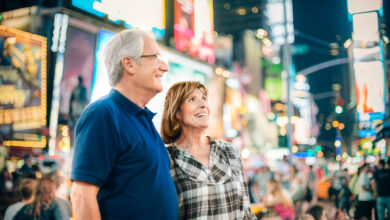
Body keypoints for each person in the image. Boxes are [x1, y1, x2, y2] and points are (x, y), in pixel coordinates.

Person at [70, 29, 178, 220]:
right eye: (157, 58)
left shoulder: (143, 120)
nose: (165, 67)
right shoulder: (103, 114)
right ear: (129, 64)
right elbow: (81, 195)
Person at [161, 81, 256, 219]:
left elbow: (246, 214)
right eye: (191, 99)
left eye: (204, 98)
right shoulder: (167, 158)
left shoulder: (228, 151)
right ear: (176, 112)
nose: (203, 105)